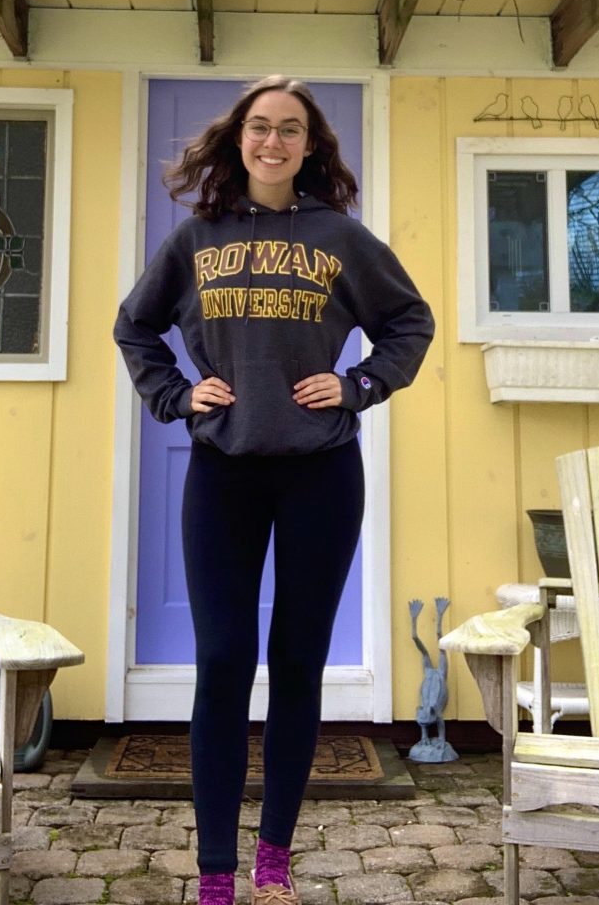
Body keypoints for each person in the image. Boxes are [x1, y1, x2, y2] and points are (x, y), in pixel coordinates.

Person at [114, 75, 434, 905]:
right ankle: (216, 872)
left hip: (321, 474)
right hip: (223, 471)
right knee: (221, 661)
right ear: (238, 138)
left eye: (290, 130)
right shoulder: (196, 239)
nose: (273, 142)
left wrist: (359, 386)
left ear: (310, 146)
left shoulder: (339, 235)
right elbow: (134, 326)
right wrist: (179, 395)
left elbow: (409, 320)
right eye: (260, 127)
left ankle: (274, 863)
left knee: (297, 664)